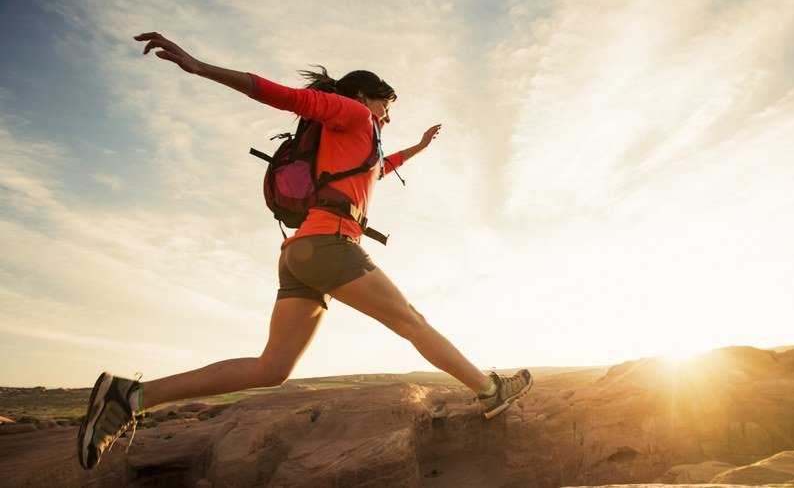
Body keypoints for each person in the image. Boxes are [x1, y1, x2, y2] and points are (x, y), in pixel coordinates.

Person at [77, 32, 533, 470]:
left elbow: (379, 168)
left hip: (303, 253)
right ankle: (490, 389)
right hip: (329, 246)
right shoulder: (352, 114)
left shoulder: (356, 139)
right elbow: (280, 95)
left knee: (271, 368)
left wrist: (418, 147)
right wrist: (198, 67)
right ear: (364, 96)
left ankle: (130, 397)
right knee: (410, 321)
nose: (388, 117)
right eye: (387, 106)